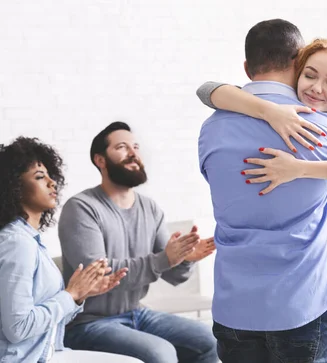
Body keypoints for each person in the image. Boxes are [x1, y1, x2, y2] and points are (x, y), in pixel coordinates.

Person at [198, 19, 327, 363]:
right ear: (297, 64)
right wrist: (270, 112)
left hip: (241, 301)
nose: (317, 87)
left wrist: (300, 168)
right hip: (302, 299)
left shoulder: (211, 129)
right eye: (311, 75)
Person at [58, 122, 218, 363]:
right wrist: (166, 258)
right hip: (88, 323)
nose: (134, 153)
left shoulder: (149, 208)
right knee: (161, 353)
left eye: (136, 146)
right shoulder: (81, 208)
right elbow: (99, 276)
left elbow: (173, 276)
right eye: (122, 147)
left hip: (137, 312)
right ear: (100, 160)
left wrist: (184, 258)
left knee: (211, 341)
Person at [0, 137, 139, 363]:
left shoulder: (31, 241)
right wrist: (69, 294)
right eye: (39, 177)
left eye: (49, 175)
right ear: (14, 188)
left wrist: (79, 296)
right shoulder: (17, 243)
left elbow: (49, 324)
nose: (51, 182)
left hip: (47, 352)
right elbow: (18, 327)